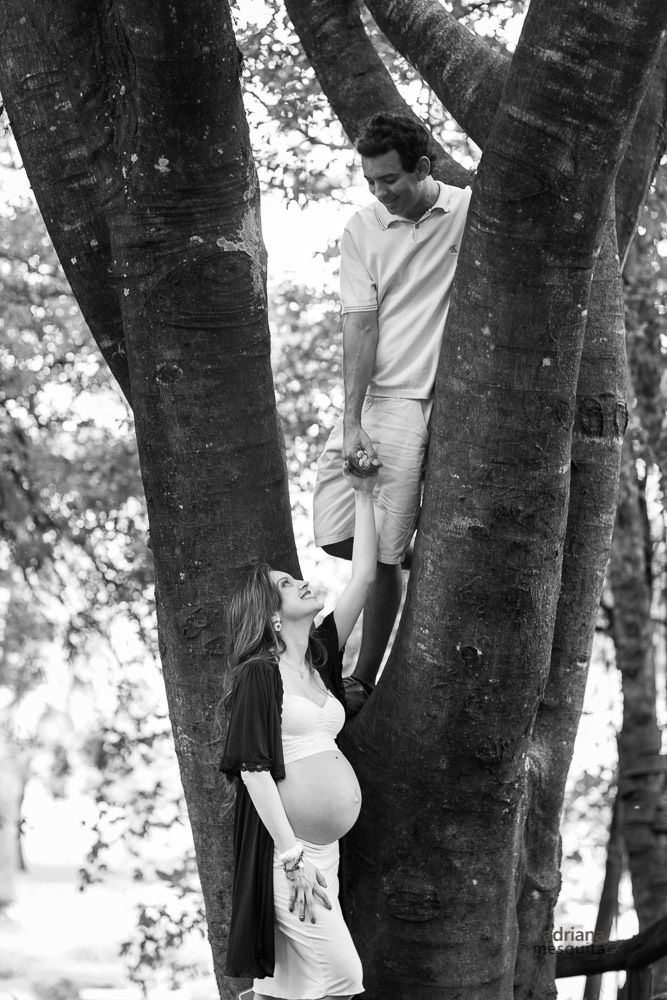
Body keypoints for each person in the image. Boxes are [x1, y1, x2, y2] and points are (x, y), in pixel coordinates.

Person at [313, 112, 472, 707]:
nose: (380, 193)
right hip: (367, 400)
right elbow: (360, 323)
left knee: (377, 554)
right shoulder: (362, 228)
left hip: (411, 401)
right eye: (370, 181)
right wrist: (351, 419)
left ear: (424, 168)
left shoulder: (465, 211)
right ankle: (417, 547)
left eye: (390, 181)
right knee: (335, 528)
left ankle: (362, 675)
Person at [219, 467, 377, 1000]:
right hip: (288, 856)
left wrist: (364, 493)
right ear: (269, 614)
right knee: (343, 978)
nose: (301, 580)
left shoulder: (318, 659)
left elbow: (364, 580)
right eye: (285, 584)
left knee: (299, 987)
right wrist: (292, 860)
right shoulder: (259, 674)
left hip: (322, 854)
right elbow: (253, 769)